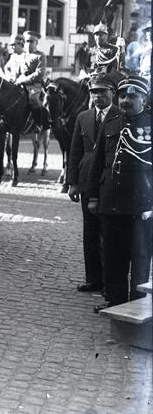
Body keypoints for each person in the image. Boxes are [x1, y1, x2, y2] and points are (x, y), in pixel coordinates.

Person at [88, 75, 152, 312]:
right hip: (112, 202)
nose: (126, 100)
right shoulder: (111, 123)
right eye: (123, 96)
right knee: (114, 255)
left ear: (143, 99)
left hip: (142, 205)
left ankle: (137, 303)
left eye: (132, 96)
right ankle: (115, 301)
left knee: (141, 256)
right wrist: (93, 196)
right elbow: (97, 163)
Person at [67, 72, 122, 294]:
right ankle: (94, 279)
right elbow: (74, 152)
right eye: (93, 92)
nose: (97, 96)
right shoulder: (83, 117)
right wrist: (72, 183)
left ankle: (111, 282)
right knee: (89, 231)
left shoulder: (120, 116)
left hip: (108, 182)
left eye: (102, 92)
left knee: (108, 233)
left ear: (113, 93)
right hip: (86, 179)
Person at [14, 30, 47, 131]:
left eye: (31, 41)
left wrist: (23, 80)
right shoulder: (22, 56)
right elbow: (18, 71)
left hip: (35, 85)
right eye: (26, 41)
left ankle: (39, 123)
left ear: (36, 43)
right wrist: (15, 80)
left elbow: (39, 74)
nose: (28, 44)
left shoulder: (40, 56)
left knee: (33, 98)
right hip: (20, 83)